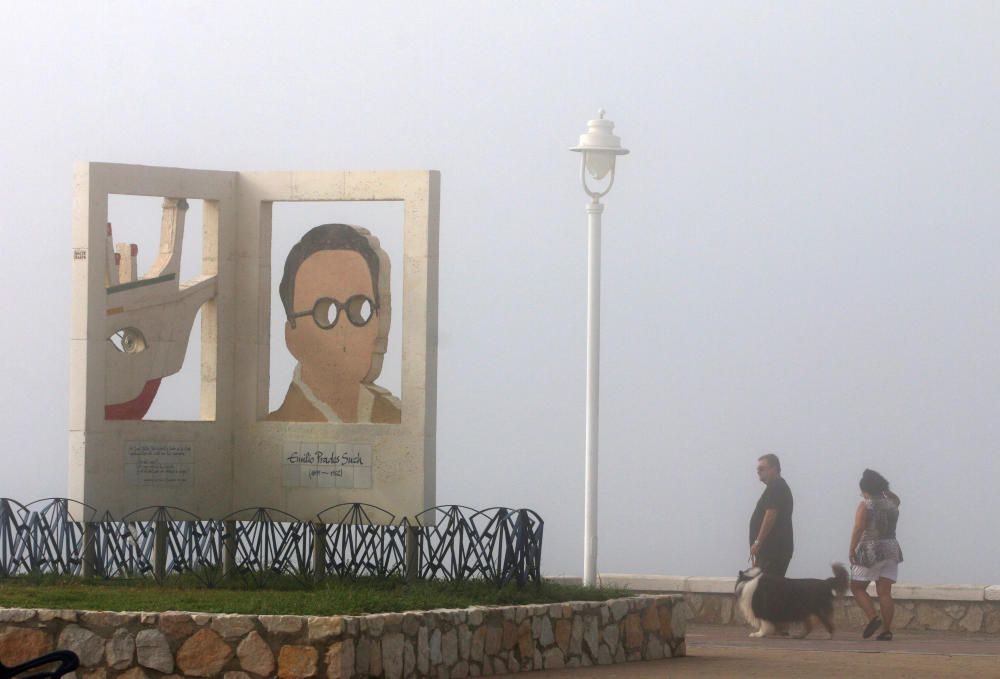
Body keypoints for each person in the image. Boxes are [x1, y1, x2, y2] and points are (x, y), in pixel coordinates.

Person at [267, 223, 401, 423]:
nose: (344, 328)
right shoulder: (274, 434)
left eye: (360, 307)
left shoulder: (396, 417)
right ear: (291, 335)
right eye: (327, 313)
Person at [849, 468, 902, 641]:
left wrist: (851, 548)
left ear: (865, 490)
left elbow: (858, 528)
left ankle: (873, 617)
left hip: (870, 549)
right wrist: (883, 487)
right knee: (885, 592)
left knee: (857, 587)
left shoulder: (865, 505)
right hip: (891, 548)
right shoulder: (893, 503)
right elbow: (896, 498)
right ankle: (886, 631)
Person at [749, 453, 794, 576]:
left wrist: (758, 542)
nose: (758, 471)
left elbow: (770, 514)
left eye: (762, 468)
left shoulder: (777, 486)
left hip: (774, 552)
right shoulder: (773, 487)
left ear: (774, 468)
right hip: (768, 552)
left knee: (769, 590)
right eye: (757, 469)